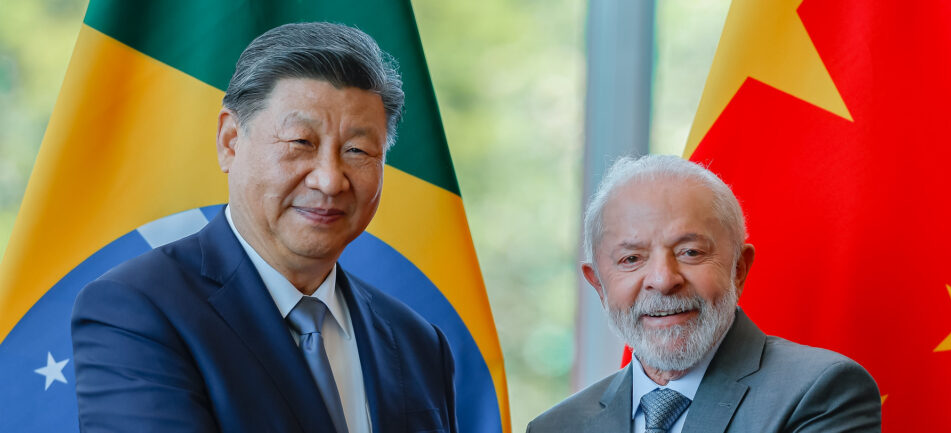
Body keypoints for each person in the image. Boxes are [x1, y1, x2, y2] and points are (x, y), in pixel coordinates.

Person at [71, 22, 456, 433]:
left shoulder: (417, 342)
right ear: (230, 140)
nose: (329, 180)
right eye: (300, 143)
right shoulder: (138, 311)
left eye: (357, 151)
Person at [528, 155, 881, 432]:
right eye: (632, 258)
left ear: (738, 269)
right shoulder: (556, 427)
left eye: (690, 252)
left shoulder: (820, 392)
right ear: (598, 285)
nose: (664, 280)